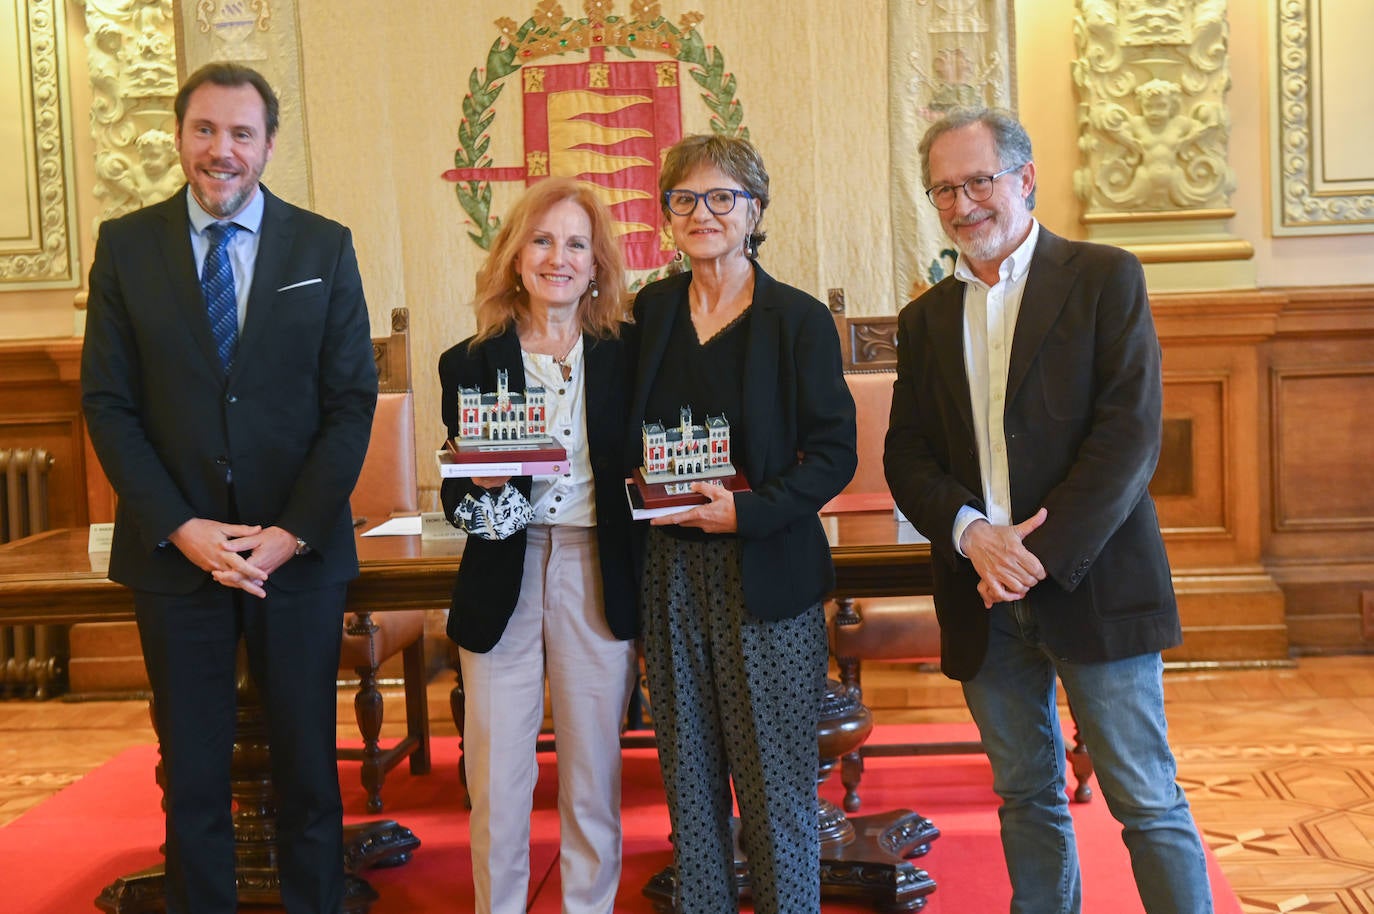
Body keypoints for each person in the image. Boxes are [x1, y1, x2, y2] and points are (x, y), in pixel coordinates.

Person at [883, 106, 1213, 913]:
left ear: (1025, 179)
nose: (962, 206)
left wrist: (1032, 557)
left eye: (978, 182)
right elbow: (907, 456)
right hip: (980, 597)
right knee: (1024, 796)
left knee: (1145, 799)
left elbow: (1128, 438)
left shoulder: (1104, 277)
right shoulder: (925, 319)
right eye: (943, 191)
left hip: (1092, 581)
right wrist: (974, 537)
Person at [81, 63, 377, 914]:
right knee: (196, 785)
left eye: (241, 133)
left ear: (269, 145)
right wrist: (180, 525)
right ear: (178, 137)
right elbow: (107, 402)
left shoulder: (323, 246)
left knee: (311, 780)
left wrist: (289, 533)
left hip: (296, 557)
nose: (222, 150)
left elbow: (350, 403)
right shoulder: (126, 246)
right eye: (205, 130)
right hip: (179, 560)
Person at [628, 134, 857, 914]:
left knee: (774, 793)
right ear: (666, 216)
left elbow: (834, 454)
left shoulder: (796, 319)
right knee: (689, 788)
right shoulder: (648, 312)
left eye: (722, 197)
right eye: (685, 199)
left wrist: (748, 511)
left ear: (754, 210)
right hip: (669, 573)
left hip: (766, 577)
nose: (703, 213)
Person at [438, 177, 639, 914]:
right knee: (496, 779)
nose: (559, 257)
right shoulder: (468, 362)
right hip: (505, 573)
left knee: (593, 774)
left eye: (577, 244)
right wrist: (490, 500)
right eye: (543, 239)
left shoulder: (627, 352)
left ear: (597, 266)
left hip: (595, 567)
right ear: (515, 256)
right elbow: (460, 502)